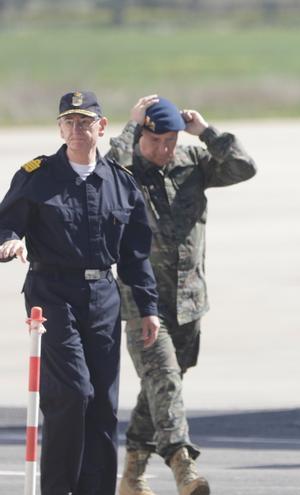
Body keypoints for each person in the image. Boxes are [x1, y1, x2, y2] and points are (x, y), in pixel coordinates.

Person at [0, 91, 160, 495]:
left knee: (103, 405)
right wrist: (12, 241)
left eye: (85, 122)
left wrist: (148, 308)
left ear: (101, 128)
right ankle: (58, 488)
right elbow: (6, 224)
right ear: (60, 128)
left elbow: (136, 253)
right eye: (69, 122)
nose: (76, 129)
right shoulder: (36, 175)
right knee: (73, 393)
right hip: (51, 293)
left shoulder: (120, 184)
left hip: (103, 296)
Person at [107, 95, 256, 495]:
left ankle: (132, 474)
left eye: (170, 140)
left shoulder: (192, 162)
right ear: (141, 136)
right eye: (155, 140)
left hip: (189, 300)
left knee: (161, 385)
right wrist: (129, 126)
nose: (163, 149)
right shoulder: (125, 172)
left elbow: (244, 166)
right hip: (142, 302)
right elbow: (104, 171)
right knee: (165, 379)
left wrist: (205, 132)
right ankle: (182, 465)